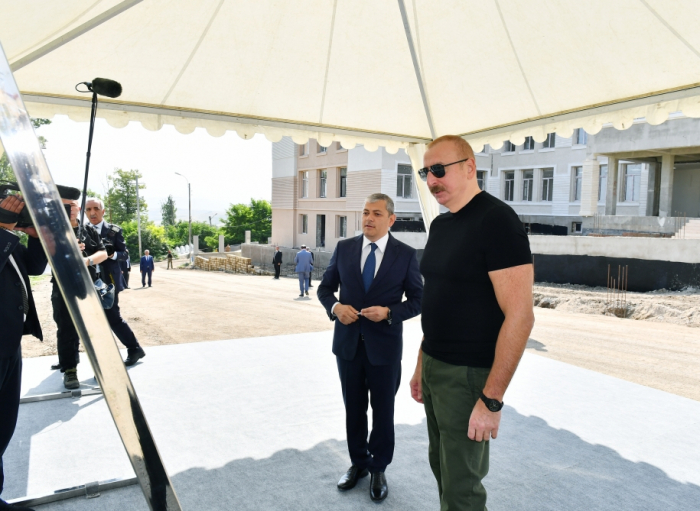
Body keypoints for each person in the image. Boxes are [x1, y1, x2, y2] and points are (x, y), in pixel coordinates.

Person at [409, 135, 534, 510]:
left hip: (468, 376)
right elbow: (440, 300)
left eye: (439, 170)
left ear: (469, 167)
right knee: (442, 470)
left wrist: (491, 400)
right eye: (425, 172)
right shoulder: (443, 226)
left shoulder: (496, 220)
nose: (431, 181)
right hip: (434, 367)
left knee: (462, 488)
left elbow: (521, 316)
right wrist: (420, 366)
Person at [317, 193, 423, 503]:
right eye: (365, 212)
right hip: (348, 347)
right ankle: (358, 464)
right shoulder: (345, 248)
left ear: (390, 219)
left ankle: (379, 468)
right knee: (354, 409)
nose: (369, 218)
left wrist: (390, 313)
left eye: (376, 213)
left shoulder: (405, 255)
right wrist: (335, 307)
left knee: (383, 411)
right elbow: (325, 289)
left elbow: (418, 300)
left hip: (384, 349)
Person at [0, 195, 45, 511]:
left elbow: (36, 266)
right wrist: (4, 228)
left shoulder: (8, 239)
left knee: (4, 422)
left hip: (9, 342)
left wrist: (34, 234)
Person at [51, 199, 109, 389]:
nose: (70, 210)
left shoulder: (89, 230)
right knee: (67, 329)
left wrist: (86, 260)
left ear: (78, 209)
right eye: (65, 206)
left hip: (88, 287)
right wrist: (67, 248)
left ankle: (100, 368)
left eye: (73, 206)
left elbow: (103, 253)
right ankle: (70, 371)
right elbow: (47, 256)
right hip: (63, 288)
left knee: (95, 328)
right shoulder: (52, 230)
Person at [85, 199, 146, 366]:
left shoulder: (113, 231)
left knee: (112, 317)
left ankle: (133, 349)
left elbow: (124, 254)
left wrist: (111, 255)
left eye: (96, 208)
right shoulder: (81, 231)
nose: (92, 212)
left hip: (108, 282)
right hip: (88, 281)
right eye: (88, 209)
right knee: (92, 320)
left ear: (103, 211)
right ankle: (71, 359)